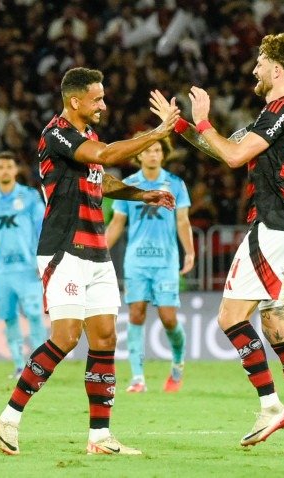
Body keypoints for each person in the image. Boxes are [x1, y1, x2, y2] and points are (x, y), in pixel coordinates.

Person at [149, 33, 284, 456]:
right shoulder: (281, 113)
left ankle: (271, 407)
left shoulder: (280, 112)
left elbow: (231, 156)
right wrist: (180, 125)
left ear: (277, 70)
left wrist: (205, 117)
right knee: (276, 324)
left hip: (269, 228)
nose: (254, 70)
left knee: (231, 318)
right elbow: (222, 150)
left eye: (260, 63)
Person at [0, 67, 177, 457]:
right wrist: (158, 132)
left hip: (96, 251)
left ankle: (99, 436)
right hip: (64, 249)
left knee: (106, 338)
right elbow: (106, 155)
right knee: (65, 337)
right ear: (75, 101)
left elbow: (102, 178)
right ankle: (9, 416)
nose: (103, 105)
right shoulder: (56, 133)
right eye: (97, 99)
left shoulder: (87, 137)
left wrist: (142, 195)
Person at [105, 136, 194, 394]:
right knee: (136, 314)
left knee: (168, 318)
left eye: (157, 150)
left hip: (166, 262)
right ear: (139, 156)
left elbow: (182, 221)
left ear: (162, 155)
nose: (153, 154)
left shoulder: (175, 184)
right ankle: (137, 378)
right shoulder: (128, 186)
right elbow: (117, 223)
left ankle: (177, 363)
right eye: (148, 150)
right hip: (136, 262)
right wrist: (98, 251)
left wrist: (189, 252)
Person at [0, 151, 47, 379]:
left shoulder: (30, 197)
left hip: (28, 268)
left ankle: (40, 367)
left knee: (35, 315)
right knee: (9, 317)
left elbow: (41, 229)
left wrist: (43, 259)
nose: (5, 170)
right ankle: (19, 366)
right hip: (2, 270)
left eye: (9, 166)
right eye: (1, 167)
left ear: (16, 170)